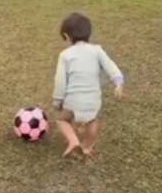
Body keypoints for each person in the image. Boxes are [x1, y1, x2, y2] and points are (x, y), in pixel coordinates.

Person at [52, 12, 123, 159]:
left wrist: (57, 101)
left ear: (66, 36)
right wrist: (118, 81)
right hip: (93, 101)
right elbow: (110, 66)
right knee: (92, 122)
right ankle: (86, 147)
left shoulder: (65, 55)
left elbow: (60, 81)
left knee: (62, 120)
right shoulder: (97, 50)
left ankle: (73, 141)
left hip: (73, 101)